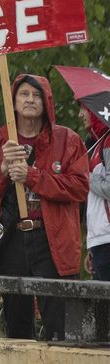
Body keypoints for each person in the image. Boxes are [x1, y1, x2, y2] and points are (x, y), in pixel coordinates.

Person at [0, 73, 89, 340]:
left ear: (46, 102)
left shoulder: (67, 140)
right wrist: (1, 170)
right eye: (24, 94)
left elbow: (80, 187)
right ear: (13, 102)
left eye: (36, 95)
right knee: (17, 326)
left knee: (61, 325)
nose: (30, 100)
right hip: (12, 239)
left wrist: (33, 177)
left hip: (52, 239)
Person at [79, 104, 110, 281]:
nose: (80, 114)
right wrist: (91, 245)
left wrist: (86, 176)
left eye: (84, 108)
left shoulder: (108, 141)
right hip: (100, 241)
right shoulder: (97, 143)